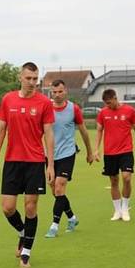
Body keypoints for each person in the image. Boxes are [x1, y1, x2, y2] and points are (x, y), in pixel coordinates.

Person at [0, 62, 55, 268]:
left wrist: (50, 164)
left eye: (35, 79)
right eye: (28, 78)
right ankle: (23, 232)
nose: (32, 83)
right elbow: (1, 130)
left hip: (35, 161)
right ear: (20, 77)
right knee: (8, 208)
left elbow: (49, 134)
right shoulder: (8, 99)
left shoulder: (44, 102)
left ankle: (26, 252)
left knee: (30, 206)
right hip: (12, 161)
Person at [44, 79, 93, 238]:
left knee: (59, 187)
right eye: (54, 92)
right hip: (50, 155)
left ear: (66, 91)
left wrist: (89, 151)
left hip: (67, 153)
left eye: (60, 91)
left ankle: (54, 225)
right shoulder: (46, 109)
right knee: (55, 190)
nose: (57, 95)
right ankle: (72, 217)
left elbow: (84, 131)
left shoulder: (74, 109)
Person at [93, 89, 135, 222]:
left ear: (115, 98)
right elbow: (99, 131)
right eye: (106, 103)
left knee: (126, 178)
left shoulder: (129, 111)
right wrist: (96, 150)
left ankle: (125, 207)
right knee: (114, 181)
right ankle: (117, 210)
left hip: (126, 151)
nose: (108, 105)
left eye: (110, 102)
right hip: (109, 153)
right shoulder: (103, 113)